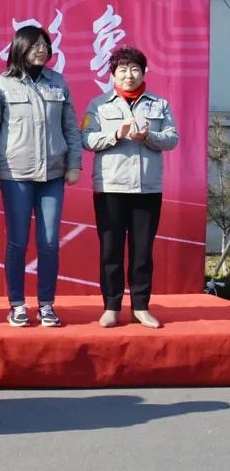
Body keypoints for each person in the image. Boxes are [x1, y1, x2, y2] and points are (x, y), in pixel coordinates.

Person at [0, 25, 82, 328]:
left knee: (49, 242)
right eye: (35, 45)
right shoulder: (1, 84)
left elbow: (70, 127)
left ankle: (47, 304)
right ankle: (17, 304)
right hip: (16, 174)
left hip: (53, 174)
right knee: (18, 241)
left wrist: (74, 164)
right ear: (20, 47)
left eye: (45, 45)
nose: (41, 50)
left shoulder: (58, 82)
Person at [81, 46, 178, 329]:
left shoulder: (159, 104)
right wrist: (116, 134)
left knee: (142, 251)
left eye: (135, 69)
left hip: (147, 189)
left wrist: (150, 136)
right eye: (122, 70)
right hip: (110, 187)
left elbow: (172, 138)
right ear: (113, 74)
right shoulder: (99, 105)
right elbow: (86, 139)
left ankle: (141, 307)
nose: (129, 75)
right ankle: (111, 307)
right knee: (110, 250)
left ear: (143, 72)